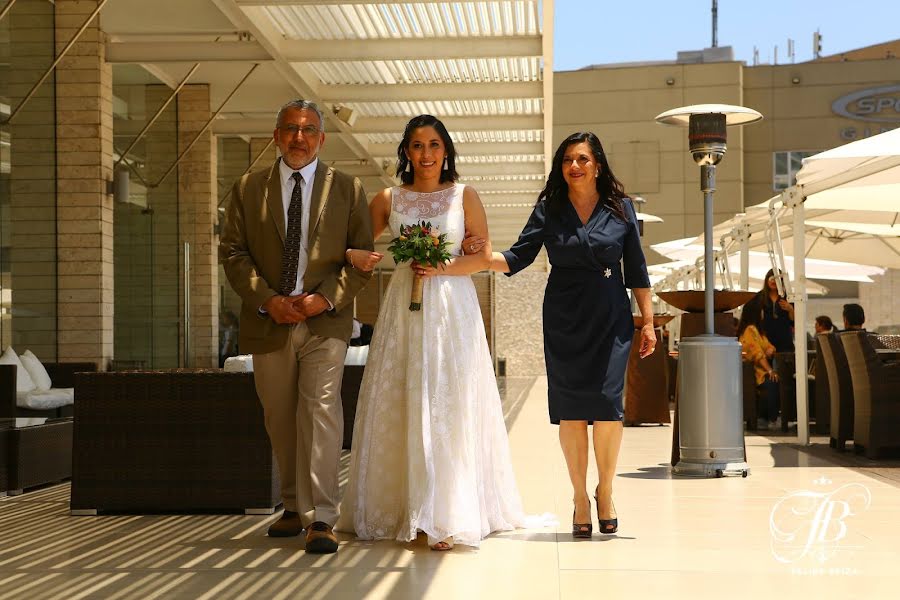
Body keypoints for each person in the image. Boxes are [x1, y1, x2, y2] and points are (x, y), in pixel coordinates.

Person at [336, 114, 530, 551]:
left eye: (434, 145)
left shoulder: (466, 196)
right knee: (403, 395)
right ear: (406, 152)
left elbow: (481, 255)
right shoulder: (389, 197)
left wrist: (444, 264)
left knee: (449, 400)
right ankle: (405, 507)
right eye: (417, 145)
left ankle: (446, 513)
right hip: (404, 306)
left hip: (452, 308)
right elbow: (358, 243)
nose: (426, 153)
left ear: (446, 151)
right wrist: (357, 255)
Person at [465, 131, 654, 538]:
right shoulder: (550, 208)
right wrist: (482, 256)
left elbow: (637, 270)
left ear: (597, 165)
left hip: (610, 316)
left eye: (583, 159)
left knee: (607, 405)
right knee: (571, 408)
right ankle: (579, 498)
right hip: (565, 316)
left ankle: (605, 490)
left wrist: (649, 320)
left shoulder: (621, 209)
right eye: (568, 159)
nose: (575, 166)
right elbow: (520, 256)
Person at [219, 99, 374, 554]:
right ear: (276, 135)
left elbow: (361, 258)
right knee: (279, 417)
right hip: (269, 321)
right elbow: (233, 254)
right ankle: (292, 504)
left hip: (325, 320)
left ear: (322, 139)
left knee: (321, 409)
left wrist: (323, 298)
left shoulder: (348, 188)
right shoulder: (248, 188)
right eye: (290, 129)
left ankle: (322, 515)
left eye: (308, 130)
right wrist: (269, 300)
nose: (299, 137)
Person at [738, 299, 781, 430]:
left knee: (776, 381)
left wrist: (770, 350)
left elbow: (770, 347)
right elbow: (757, 353)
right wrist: (769, 370)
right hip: (755, 373)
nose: (763, 312)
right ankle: (771, 419)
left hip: (759, 370)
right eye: (761, 309)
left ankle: (771, 418)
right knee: (774, 381)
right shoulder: (750, 330)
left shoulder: (758, 331)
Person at [759, 268, 795, 352]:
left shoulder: (788, 297)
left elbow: (794, 322)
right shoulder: (759, 297)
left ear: (782, 281)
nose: (773, 282)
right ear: (767, 280)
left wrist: (790, 309)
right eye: (771, 279)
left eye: (777, 279)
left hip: (785, 341)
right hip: (765, 342)